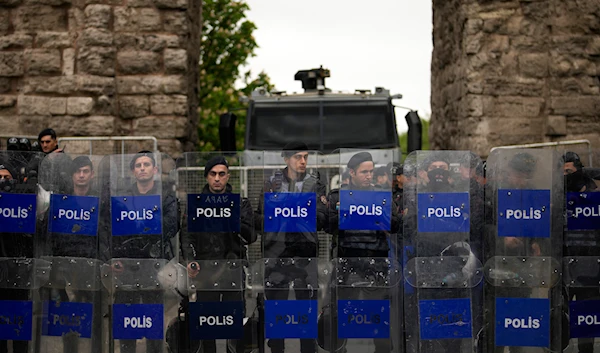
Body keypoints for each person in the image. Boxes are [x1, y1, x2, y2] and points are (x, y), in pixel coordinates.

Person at [255, 141, 327, 353]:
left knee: (306, 313)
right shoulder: (271, 184)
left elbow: (322, 217)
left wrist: (296, 213)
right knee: (277, 313)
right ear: (286, 159)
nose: (303, 161)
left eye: (305, 156)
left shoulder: (315, 183)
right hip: (277, 253)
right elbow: (261, 218)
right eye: (298, 157)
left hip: (306, 254)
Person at [326, 151, 401, 353]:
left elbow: (396, 224)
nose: (369, 176)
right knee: (343, 321)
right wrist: (348, 212)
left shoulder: (381, 196)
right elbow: (327, 224)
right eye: (364, 172)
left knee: (379, 322)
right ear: (351, 173)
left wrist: (377, 218)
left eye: (371, 171)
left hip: (376, 265)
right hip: (346, 265)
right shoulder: (337, 196)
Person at [181, 155, 256, 353]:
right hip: (206, 272)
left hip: (233, 269)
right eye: (213, 174)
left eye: (221, 174)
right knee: (207, 324)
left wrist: (233, 218)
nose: (217, 178)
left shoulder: (240, 203)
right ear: (207, 177)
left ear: (228, 176)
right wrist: (190, 260)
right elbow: (187, 236)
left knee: (234, 322)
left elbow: (252, 236)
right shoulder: (196, 204)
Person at [110, 151, 178, 353]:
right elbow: (115, 229)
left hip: (154, 264)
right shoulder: (124, 198)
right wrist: (115, 256)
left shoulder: (165, 195)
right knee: (126, 319)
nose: (142, 168)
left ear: (155, 170)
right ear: (133, 171)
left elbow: (171, 225)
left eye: (146, 164)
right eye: (138, 165)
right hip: (127, 265)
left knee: (153, 319)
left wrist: (141, 224)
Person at [38, 155, 103, 353]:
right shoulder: (61, 202)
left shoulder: (98, 203)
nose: (81, 175)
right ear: (72, 175)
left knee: (93, 321)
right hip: (63, 269)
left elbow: (104, 234)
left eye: (85, 171)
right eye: (78, 171)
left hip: (90, 269)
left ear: (92, 174)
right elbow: (48, 233)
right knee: (67, 321)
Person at [562, 151, 599, 353]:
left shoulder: (595, 198)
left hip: (589, 270)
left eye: (569, 171)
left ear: (578, 171)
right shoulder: (560, 197)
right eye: (563, 172)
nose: (566, 176)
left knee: (587, 320)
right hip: (565, 269)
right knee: (561, 320)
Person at [0, 159, 33, 353]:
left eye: (7, 178)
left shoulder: (23, 202)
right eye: (0, 178)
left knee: (19, 324)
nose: (3, 182)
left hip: (20, 273)